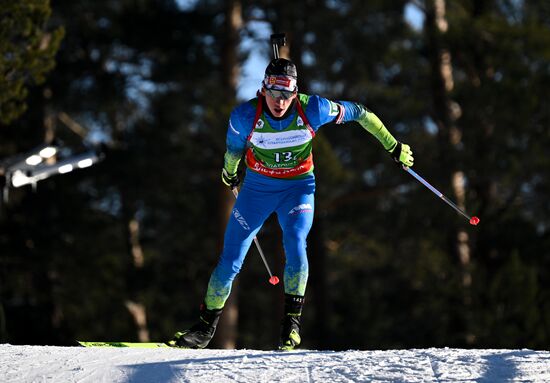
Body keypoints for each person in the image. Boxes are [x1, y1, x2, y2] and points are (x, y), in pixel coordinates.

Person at [169, 58, 413, 350]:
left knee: (296, 241)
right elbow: (232, 152)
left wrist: (393, 145)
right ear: (263, 89)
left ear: (296, 93)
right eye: (274, 92)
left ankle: (291, 325)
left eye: (287, 94)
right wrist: (230, 173)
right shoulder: (245, 116)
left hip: (298, 188)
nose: (280, 101)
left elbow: (361, 113)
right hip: (257, 191)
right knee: (230, 260)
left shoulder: (315, 109)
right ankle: (205, 328)